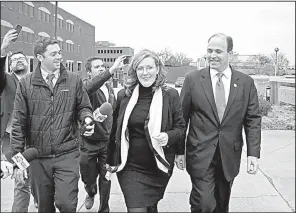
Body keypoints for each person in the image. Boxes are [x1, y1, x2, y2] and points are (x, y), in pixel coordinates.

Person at [178, 33, 261, 213]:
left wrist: (253, 153)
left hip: (229, 156)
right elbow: (181, 119)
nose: (212, 55)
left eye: (218, 51)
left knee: (221, 205)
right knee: (204, 204)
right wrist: (179, 151)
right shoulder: (192, 80)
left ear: (230, 54)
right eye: (209, 50)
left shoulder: (246, 83)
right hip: (199, 154)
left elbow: (253, 119)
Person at [10, 37, 95, 213]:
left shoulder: (73, 80)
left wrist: (87, 118)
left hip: (67, 153)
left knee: (66, 204)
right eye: (54, 54)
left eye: (60, 53)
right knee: (44, 207)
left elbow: (84, 107)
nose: (59, 57)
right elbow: (18, 123)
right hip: (37, 156)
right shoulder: (26, 84)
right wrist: (18, 161)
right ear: (40, 57)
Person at [107, 49, 186, 213]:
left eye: (149, 67)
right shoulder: (124, 95)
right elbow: (115, 129)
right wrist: (110, 160)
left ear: (157, 69)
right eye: (140, 68)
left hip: (158, 165)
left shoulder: (169, 95)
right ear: (135, 71)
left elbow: (180, 127)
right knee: (137, 208)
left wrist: (168, 137)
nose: (145, 73)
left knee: (150, 207)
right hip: (130, 166)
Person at [79, 56, 125, 212]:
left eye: (103, 66)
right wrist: (112, 70)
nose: (101, 69)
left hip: (107, 143)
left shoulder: (111, 91)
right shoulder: (86, 87)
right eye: (96, 67)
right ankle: (90, 192)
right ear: (88, 72)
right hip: (88, 143)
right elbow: (91, 87)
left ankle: (104, 208)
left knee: (106, 179)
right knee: (88, 178)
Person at [0, 29, 37, 212]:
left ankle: (38, 194)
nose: (17, 61)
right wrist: (3, 51)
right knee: (21, 177)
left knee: (36, 178)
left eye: (21, 59)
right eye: (13, 60)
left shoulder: (37, 81)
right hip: (13, 140)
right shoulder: (5, 80)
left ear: (29, 63)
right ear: (9, 66)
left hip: (38, 139)